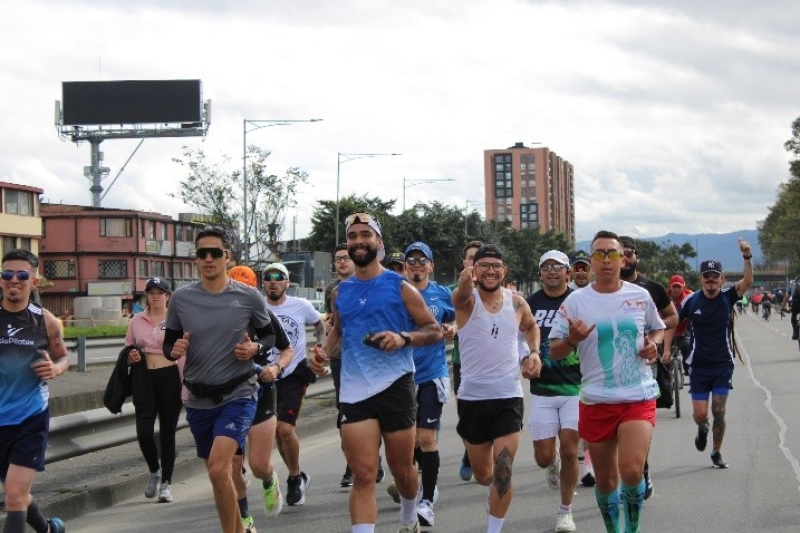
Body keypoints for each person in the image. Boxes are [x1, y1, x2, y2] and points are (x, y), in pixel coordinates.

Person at [310, 212, 443, 533]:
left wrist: (403, 338)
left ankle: (410, 514)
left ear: (378, 242)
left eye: (365, 235)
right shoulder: (342, 292)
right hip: (356, 393)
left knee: (403, 472)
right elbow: (338, 331)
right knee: (364, 474)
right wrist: (322, 355)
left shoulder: (400, 287)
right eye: (353, 236)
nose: (358, 241)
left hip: (396, 386)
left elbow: (434, 331)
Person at [163, 226, 283, 533]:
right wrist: (174, 350)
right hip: (199, 399)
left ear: (226, 257)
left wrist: (255, 348)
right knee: (219, 476)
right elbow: (170, 344)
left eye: (214, 253)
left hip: (238, 392)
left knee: (219, 468)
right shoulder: (180, 299)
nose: (208, 259)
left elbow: (270, 335)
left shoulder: (248, 296)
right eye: (202, 253)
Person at [549, 230, 665, 533]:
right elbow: (554, 351)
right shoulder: (576, 302)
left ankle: (632, 530)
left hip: (637, 395)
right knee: (605, 480)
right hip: (596, 398)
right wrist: (571, 340)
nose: (606, 261)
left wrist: (654, 345)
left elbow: (658, 329)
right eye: (598, 255)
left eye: (612, 254)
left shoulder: (639, 296)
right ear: (590, 262)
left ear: (622, 259)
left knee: (630, 470)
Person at [452, 243, 542, 533]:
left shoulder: (516, 302)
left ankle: (494, 528)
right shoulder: (466, 301)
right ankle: (492, 498)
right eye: (483, 266)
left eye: (496, 266)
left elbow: (530, 326)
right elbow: (461, 294)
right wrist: (466, 281)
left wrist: (534, 352)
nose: (490, 271)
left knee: (503, 471)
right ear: (474, 270)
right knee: (484, 475)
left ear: (504, 271)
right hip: (472, 399)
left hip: (508, 396)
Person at [0, 249, 69, 533]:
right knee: (19, 492)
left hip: (30, 418)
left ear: (34, 282)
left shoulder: (46, 322)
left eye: (22, 275)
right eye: (7, 274)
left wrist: (56, 369)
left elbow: (63, 357)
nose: (13, 280)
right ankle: (48, 529)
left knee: (13, 496)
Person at [228, 264, 293, 530]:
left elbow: (286, 349)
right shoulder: (212, 316)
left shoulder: (262, 314)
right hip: (228, 395)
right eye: (233, 285)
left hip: (260, 390)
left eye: (245, 287)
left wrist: (275, 368)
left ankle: (268, 480)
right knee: (232, 465)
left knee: (258, 465)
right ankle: (245, 520)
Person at [679, 242, 753, 469]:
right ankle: (702, 428)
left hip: (722, 365)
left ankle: (716, 452)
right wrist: (666, 347)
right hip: (699, 367)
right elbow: (676, 325)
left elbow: (747, 281)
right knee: (701, 415)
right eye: (707, 277)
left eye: (715, 277)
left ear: (721, 280)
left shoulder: (728, 297)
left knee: (719, 411)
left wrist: (747, 256)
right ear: (701, 279)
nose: (711, 280)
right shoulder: (690, 302)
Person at [400, 241, 455, 527]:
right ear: (405, 265)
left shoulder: (442, 294)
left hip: (432, 374)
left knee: (426, 438)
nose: (417, 265)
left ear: (431, 266)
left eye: (423, 260)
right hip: (401, 376)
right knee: (407, 444)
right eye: (412, 260)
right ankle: (416, 483)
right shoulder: (396, 291)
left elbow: (460, 319)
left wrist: (452, 328)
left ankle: (428, 500)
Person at [619, 235, 678, 499]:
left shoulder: (650, 288)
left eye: (629, 253)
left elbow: (672, 316)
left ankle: (641, 469)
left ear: (635, 257)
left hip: (645, 365)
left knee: (639, 422)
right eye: (619, 253)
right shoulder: (602, 289)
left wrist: (659, 344)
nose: (625, 258)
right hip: (611, 367)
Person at [261, 262, 325, 507]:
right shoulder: (257, 307)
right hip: (266, 375)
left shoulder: (301, 305)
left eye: (279, 277)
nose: (273, 281)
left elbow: (319, 324)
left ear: (287, 282)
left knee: (285, 429)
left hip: (294, 373)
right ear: (263, 283)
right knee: (277, 431)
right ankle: (297, 473)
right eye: (268, 277)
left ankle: (294, 478)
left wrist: (320, 345)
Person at [525, 250, 580, 533]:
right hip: (542, 389)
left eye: (558, 267)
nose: (552, 271)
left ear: (568, 273)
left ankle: (565, 512)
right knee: (544, 457)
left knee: (571, 450)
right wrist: (525, 360)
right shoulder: (529, 303)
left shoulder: (579, 301)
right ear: (540, 274)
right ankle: (552, 462)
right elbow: (520, 339)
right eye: (546, 267)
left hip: (575, 387)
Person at [124, 277, 183, 504]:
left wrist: (186, 381)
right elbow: (128, 347)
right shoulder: (137, 320)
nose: (155, 296)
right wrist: (131, 356)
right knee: (144, 432)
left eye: (160, 292)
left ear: (168, 296)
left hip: (170, 377)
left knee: (167, 433)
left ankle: (166, 483)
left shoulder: (176, 320)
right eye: (151, 292)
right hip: (145, 379)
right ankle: (154, 470)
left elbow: (185, 350)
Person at [323, 243, 360, 488]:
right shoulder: (332, 289)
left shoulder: (364, 284)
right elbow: (331, 322)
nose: (342, 262)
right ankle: (352, 466)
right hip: (339, 358)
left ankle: (369, 456)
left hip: (363, 357)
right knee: (344, 411)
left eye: (346, 258)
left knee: (365, 409)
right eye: (338, 259)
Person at [451, 239, 483, 482]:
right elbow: (448, 317)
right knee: (466, 416)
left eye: (478, 259)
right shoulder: (454, 291)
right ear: (464, 262)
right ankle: (470, 450)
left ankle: (478, 451)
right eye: (470, 258)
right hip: (463, 363)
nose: (473, 263)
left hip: (490, 364)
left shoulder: (495, 291)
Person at [566, 249, 595, 486]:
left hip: (591, 365)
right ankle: (568, 456)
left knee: (587, 416)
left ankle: (588, 465)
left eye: (584, 267)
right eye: (577, 268)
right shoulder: (568, 297)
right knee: (571, 420)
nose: (581, 272)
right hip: (567, 365)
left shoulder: (597, 295)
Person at [665, 275, 693, 376]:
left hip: (682, 331)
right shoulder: (664, 298)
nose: (676, 289)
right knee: (661, 350)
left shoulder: (688, 299)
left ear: (683, 287)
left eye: (679, 287)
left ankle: (688, 369)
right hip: (667, 332)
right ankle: (664, 372)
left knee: (686, 346)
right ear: (670, 287)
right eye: (674, 286)